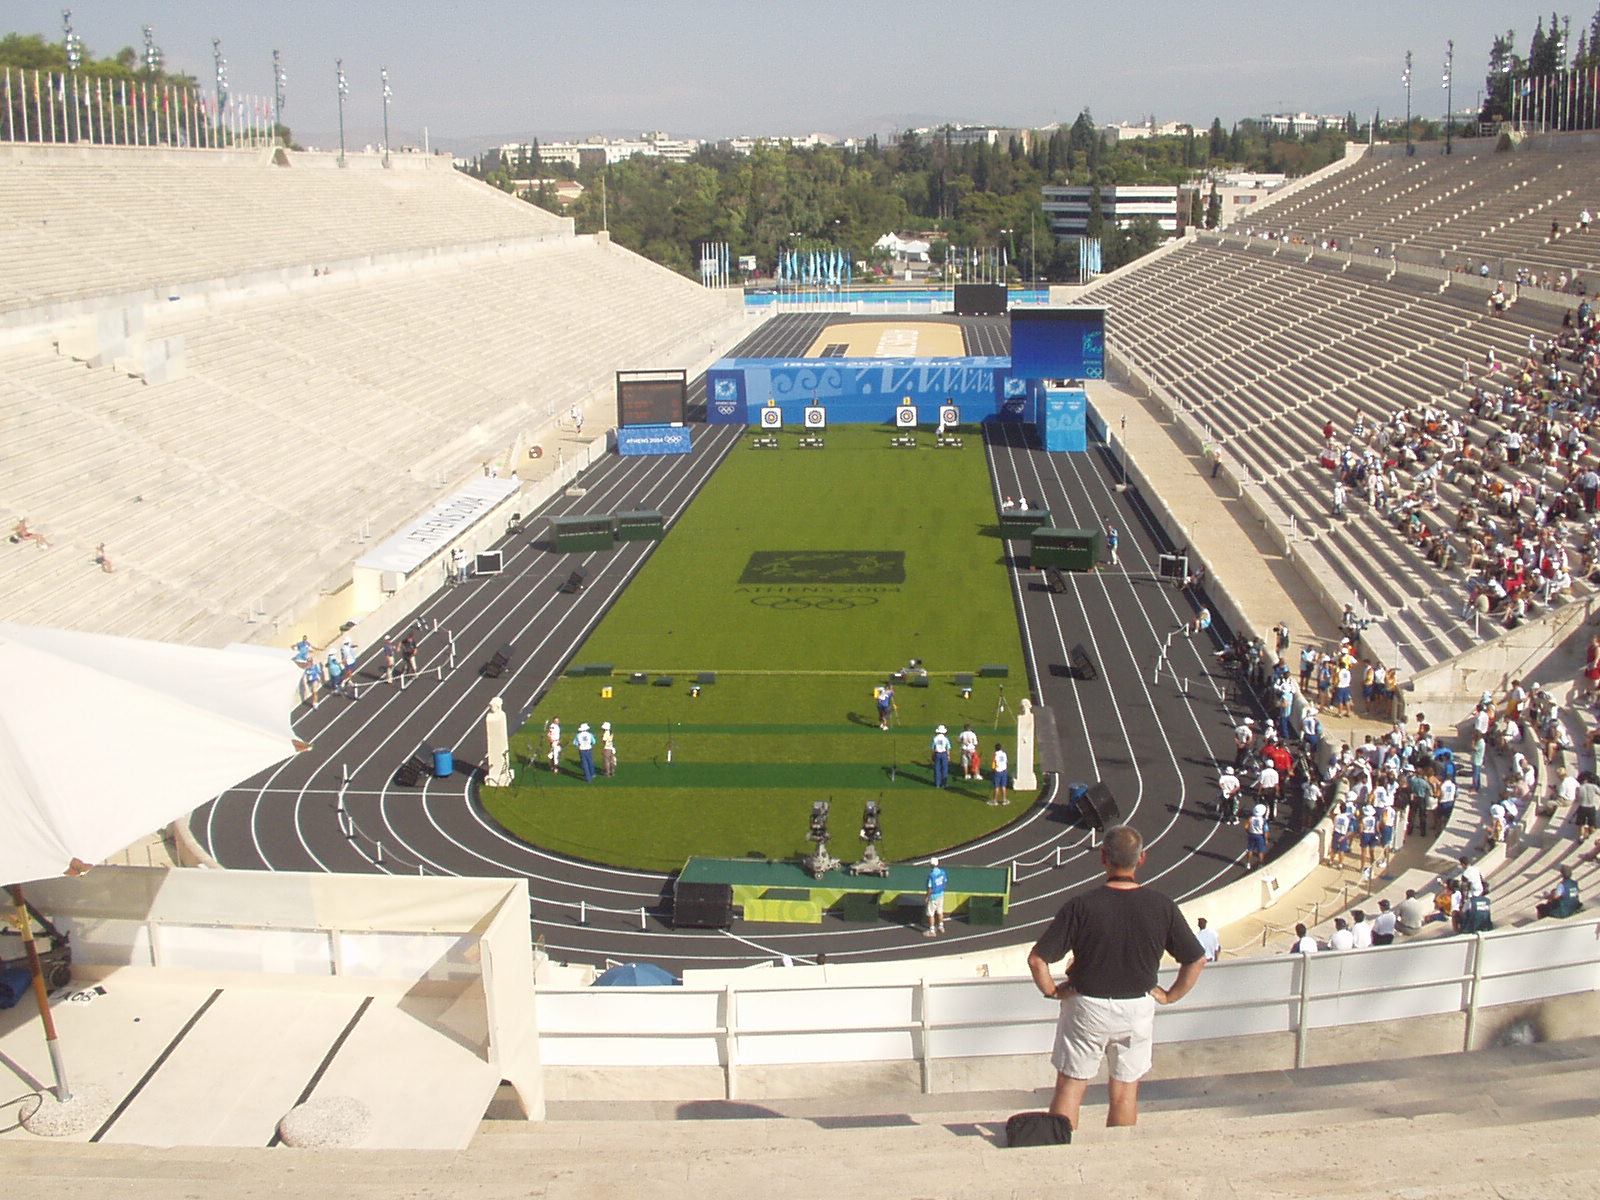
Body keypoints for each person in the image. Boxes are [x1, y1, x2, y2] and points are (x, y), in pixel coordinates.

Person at [1027, 826, 1206, 1130]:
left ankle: (1058, 1151)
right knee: (1125, 1091)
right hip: (1137, 1007)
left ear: (1103, 858)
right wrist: (1169, 995)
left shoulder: (1081, 905)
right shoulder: (1162, 906)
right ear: (1142, 859)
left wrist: (1053, 991)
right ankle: (1121, 1156)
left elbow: (1037, 960)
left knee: (1070, 1086)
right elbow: (1196, 959)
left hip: (1087, 1007)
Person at [924, 856, 948, 937]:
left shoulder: (931, 875)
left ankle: (932, 931)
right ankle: (941, 926)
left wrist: (927, 897)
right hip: (941, 894)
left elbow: (930, 888)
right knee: (940, 911)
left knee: (931, 914)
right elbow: (945, 883)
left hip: (933, 896)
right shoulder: (942, 872)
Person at [1245, 804, 1268, 870]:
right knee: (1261, 851)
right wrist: (1266, 839)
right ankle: (1260, 864)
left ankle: (1248, 863)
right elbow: (1265, 831)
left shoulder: (1251, 818)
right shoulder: (1263, 821)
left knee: (1250, 849)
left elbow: (1246, 827)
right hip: (1260, 836)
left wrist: (1249, 832)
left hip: (1252, 834)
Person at [930, 724, 951, 789]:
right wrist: (948, 756)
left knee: (937, 769)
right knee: (944, 769)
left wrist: (932, 755)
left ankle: (937, 784)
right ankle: (944, 784)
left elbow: (933, 748)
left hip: (937, 754)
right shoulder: (946, 739)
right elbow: (948, 748)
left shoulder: (935, 738)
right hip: (944, 754)